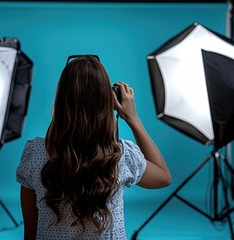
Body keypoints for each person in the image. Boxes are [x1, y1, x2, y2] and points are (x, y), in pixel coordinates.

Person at [16, 55, 171, 240]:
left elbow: (30, 234)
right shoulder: (119, 155)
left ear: (61, 97)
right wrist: (132, 118)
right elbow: (163, 177)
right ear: (108, 100)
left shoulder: (34, 153)